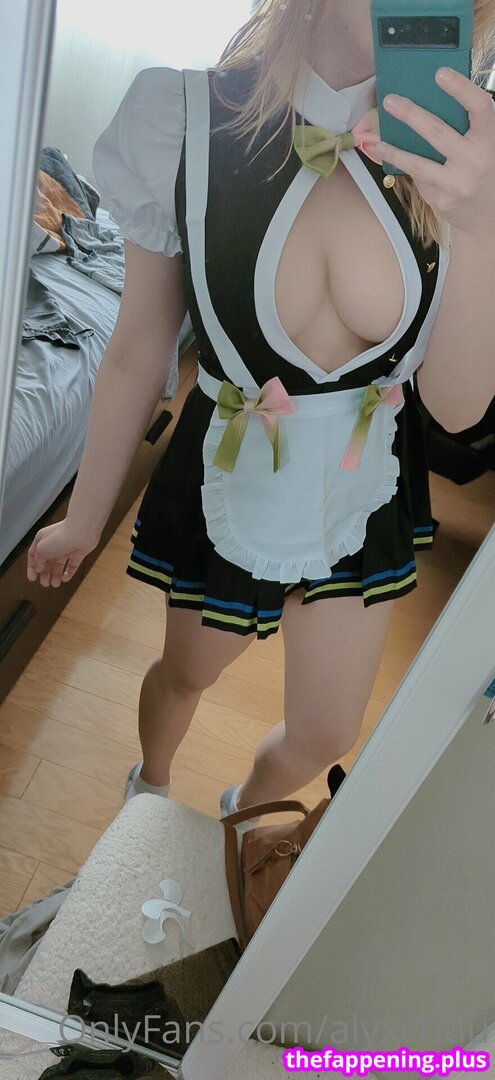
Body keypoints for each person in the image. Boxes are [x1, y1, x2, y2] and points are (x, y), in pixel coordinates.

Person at [27, 0, 495, 823]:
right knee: (185, 676)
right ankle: (149, 791)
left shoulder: (464, 157)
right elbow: (138, 344)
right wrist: (83, 516)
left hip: (364, 483)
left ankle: (239, 815)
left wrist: (483, 224)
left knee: (327, 732)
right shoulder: (178, 117)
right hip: (229, 463)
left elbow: (458, 412)